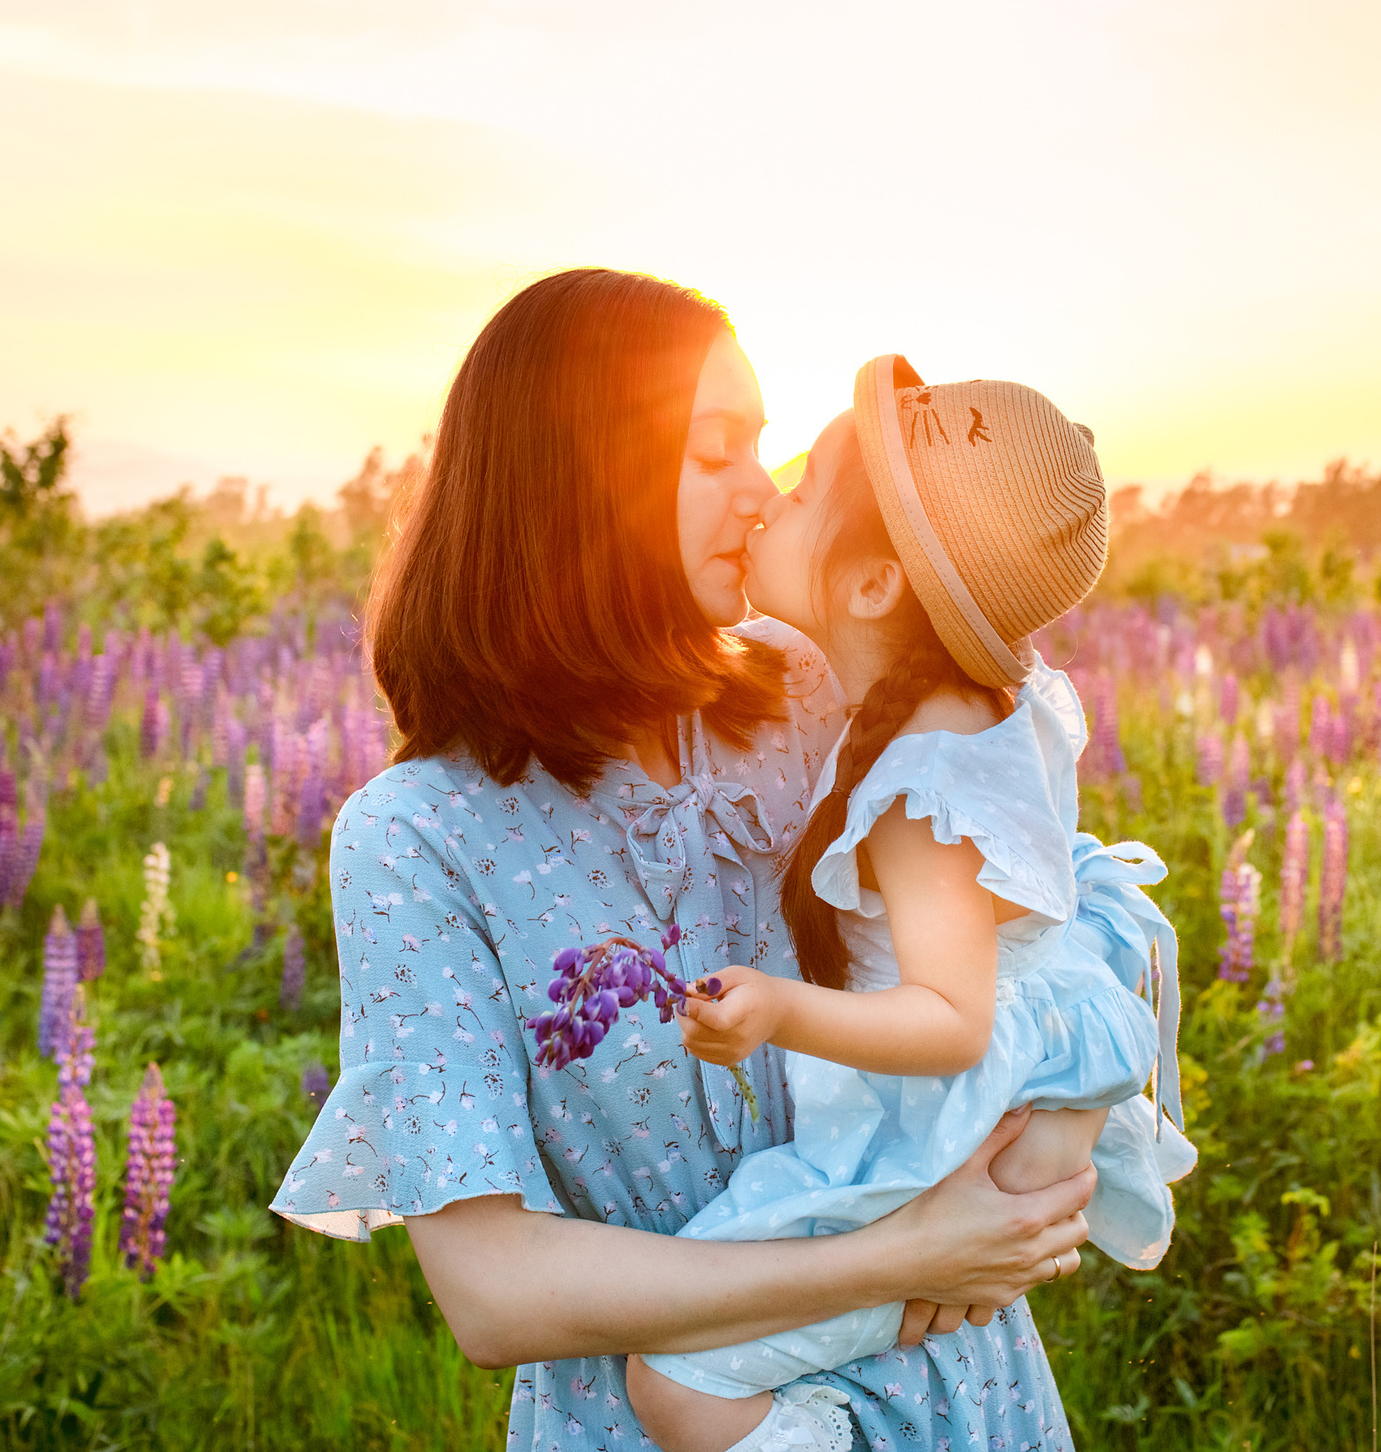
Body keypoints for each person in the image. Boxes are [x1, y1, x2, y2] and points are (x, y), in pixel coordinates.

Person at [271, 271, 1096, 1452]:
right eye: (716, 454)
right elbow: (493, 1289)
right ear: (580, 477)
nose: (761, 495)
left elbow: (1014, 920)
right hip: (674, 1416)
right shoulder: (417, 835)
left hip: (946, 1375)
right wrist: (899, 1252)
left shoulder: (809, 684)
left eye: (763, 449)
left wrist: (1043, 1159)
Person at [622, 357, 1194, 1452]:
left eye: (796, 495)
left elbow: (951, 1019)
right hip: (1014, 1094)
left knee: (672, 1378)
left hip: (929, 1133)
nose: (764, 498)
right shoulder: (983, 698)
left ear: (876, 585)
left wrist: (782, 1009)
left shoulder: (917, 790)